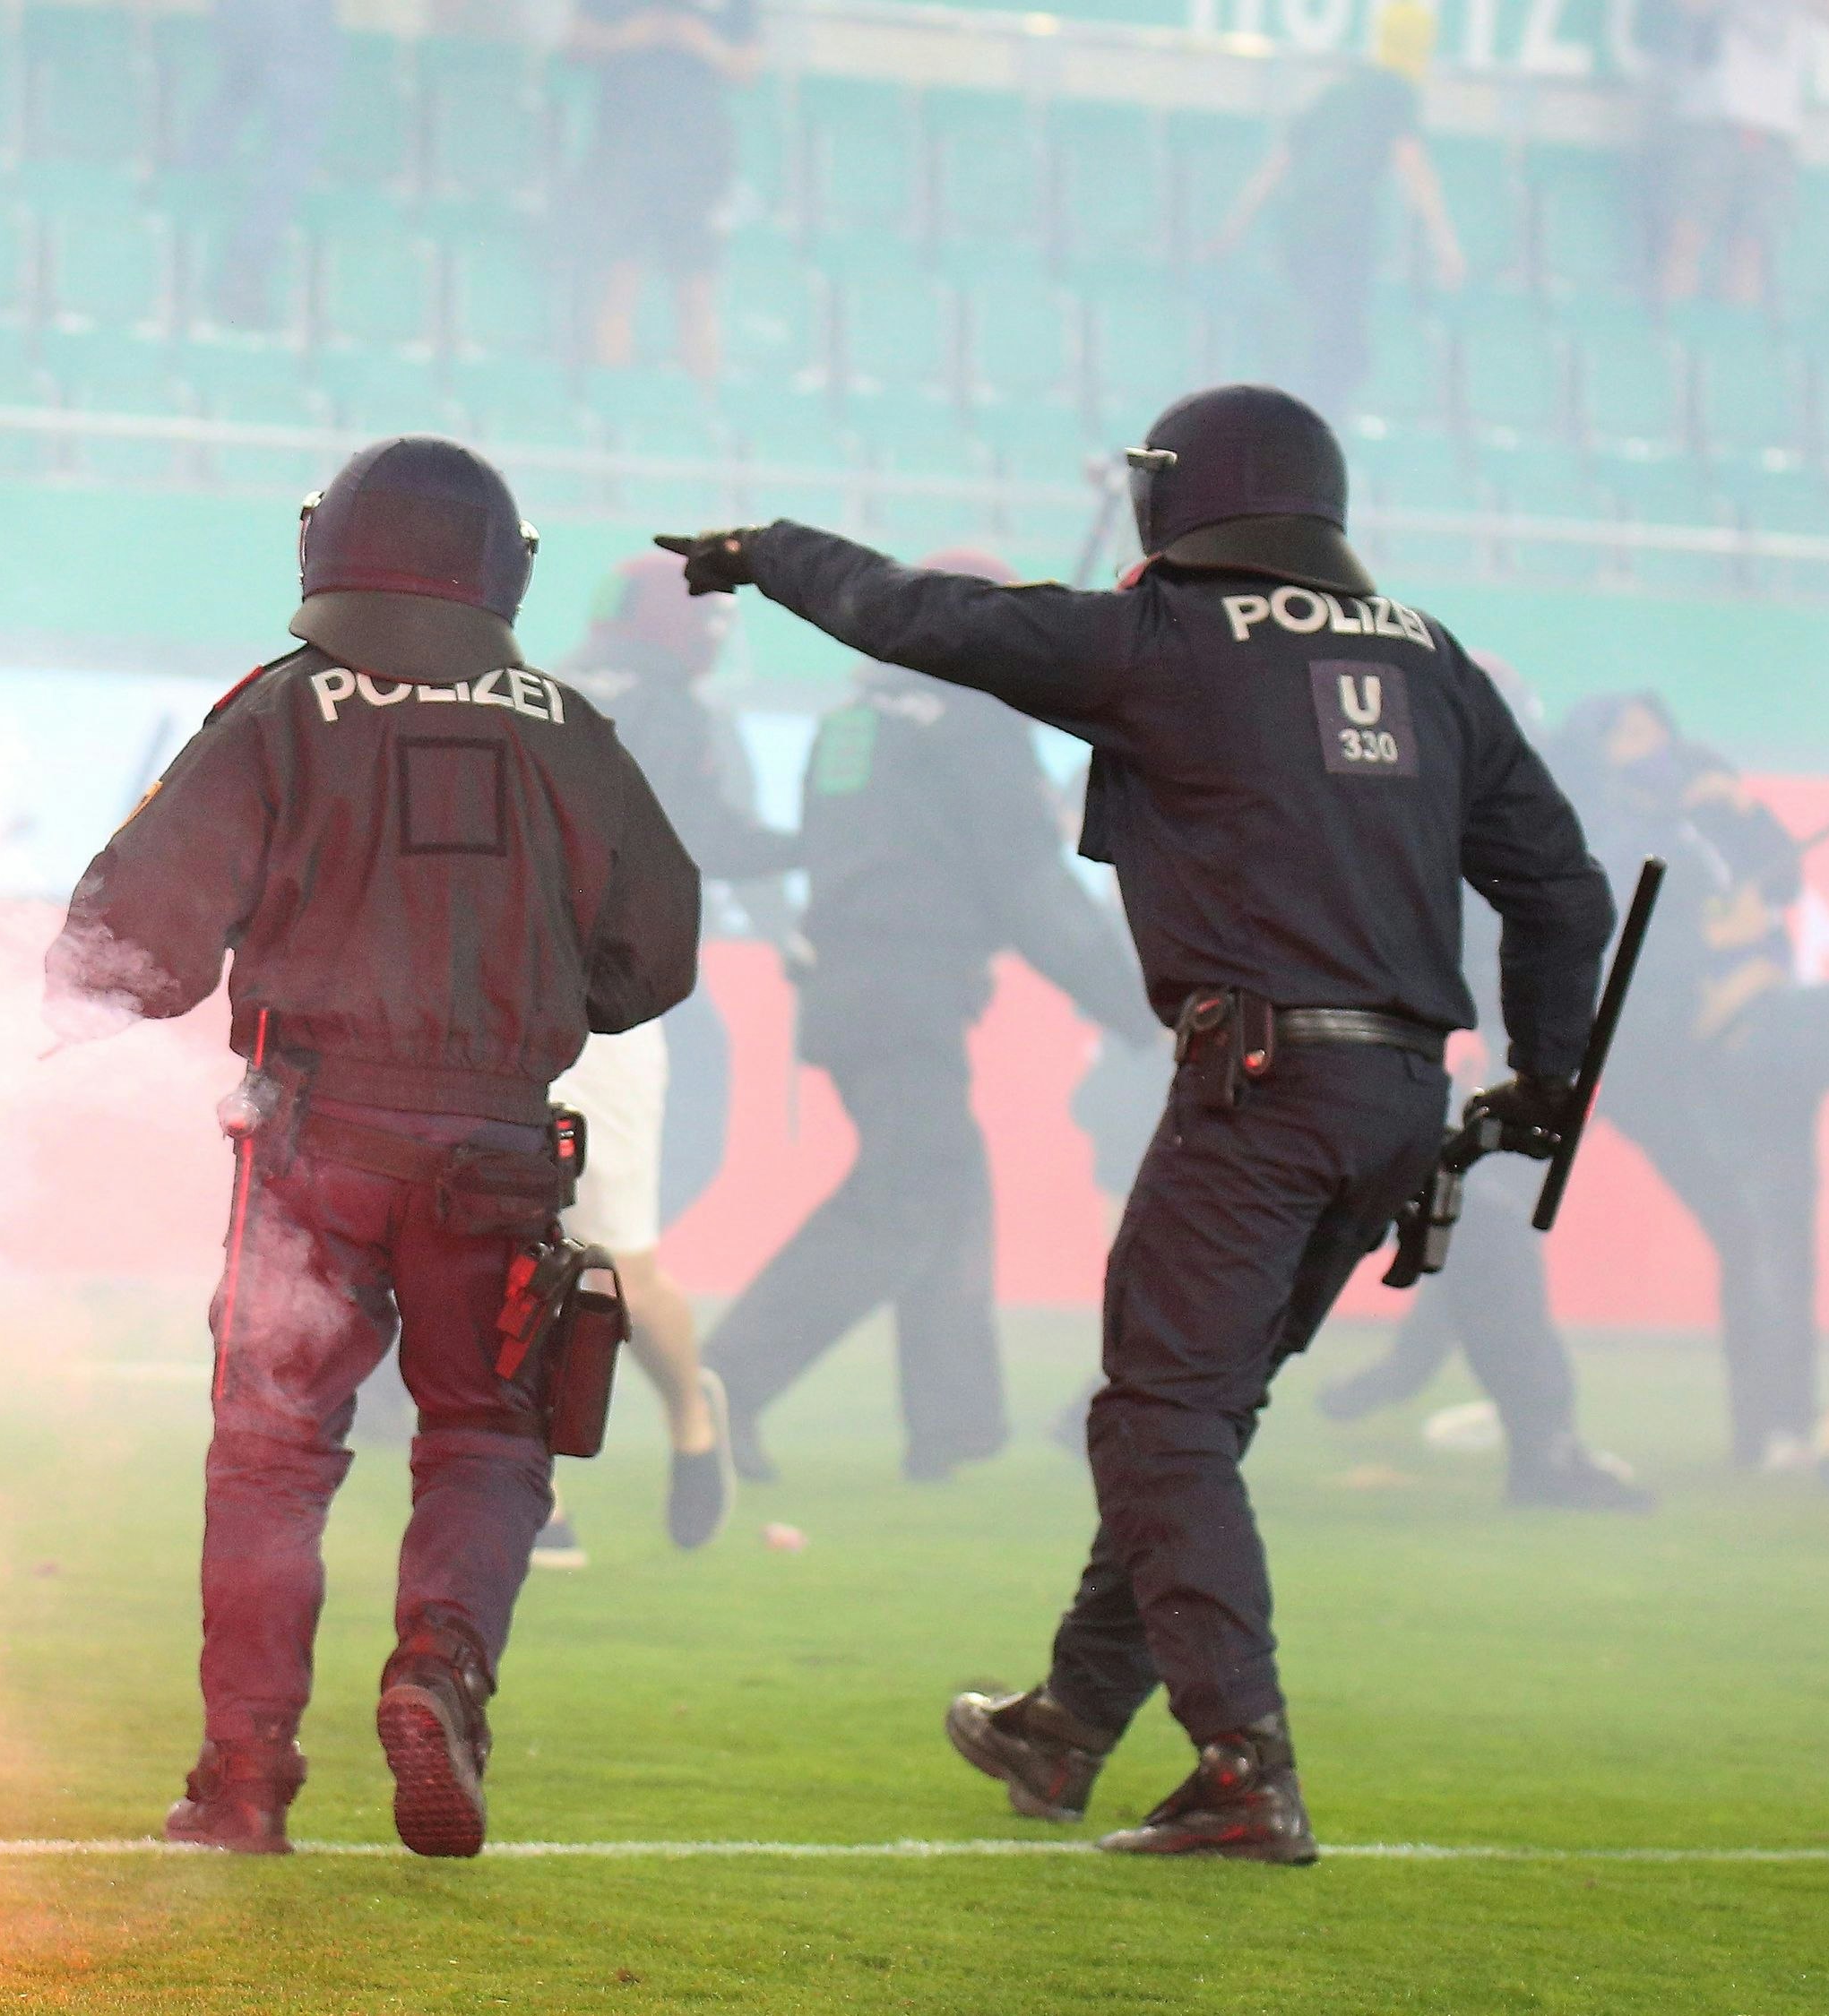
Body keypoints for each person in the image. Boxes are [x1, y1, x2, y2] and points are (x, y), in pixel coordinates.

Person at [661, 382, 1613, 1862]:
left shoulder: (1167, 637)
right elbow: (1562, 887)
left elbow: (921, 618)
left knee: (1158, 1414)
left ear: (1178, 494)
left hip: (1259, 1084)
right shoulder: (1428, 656)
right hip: (1397, 1098)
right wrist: (1547, 1077)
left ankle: (1243, 1761)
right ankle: (1069, 1722)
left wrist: (762, 550)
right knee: (1196, 1408)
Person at [50, 436, 700, 1859]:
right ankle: (439, 1670)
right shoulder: (570, 726)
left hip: (312, 1140)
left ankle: (243, 1778)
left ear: (326, 546)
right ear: (504, 570)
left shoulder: (282, 709)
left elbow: (136, 927)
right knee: (487, 1430)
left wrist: (80, 1002)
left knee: (271, 1454)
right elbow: (654, 952)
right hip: (499, 1149)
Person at [699, 548, 1148, 1488]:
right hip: (908, 993)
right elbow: (1029, 888)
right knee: (905, 1196)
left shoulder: (853, 718)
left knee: (947, 1188)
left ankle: (956, 1425)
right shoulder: (972, 724)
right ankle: (727, 1380)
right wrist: (1137, 1007)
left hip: (851, 987)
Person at [1316, 659, 1652, 1513]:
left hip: (1380, 1057)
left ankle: (1139, 1407)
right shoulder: (1471, 816)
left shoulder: (1381, 799)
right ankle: (1543, 1451)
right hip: (1426, 1061)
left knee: (1450, 1241)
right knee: (1479, 1243)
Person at [1552, 692, 1829, 1469]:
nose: (1653, 744)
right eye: (1628, 734)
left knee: (1777, 1242)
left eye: (1656, 727)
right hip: (1728, 1051)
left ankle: (1777, 1430)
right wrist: (1722, 974)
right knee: (1767, 1241)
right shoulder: (1616, 843)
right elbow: (1628, 974)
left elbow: (1781, 885)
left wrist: (1742, 816)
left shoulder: (1703, 816)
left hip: (1767, 1044)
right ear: (1597, 755)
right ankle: (1774, 1427)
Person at [537, 555, 797, 1556]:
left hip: (534, 1001)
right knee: (545, 1253)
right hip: (596, 1007)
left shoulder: (530, 690)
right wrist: (822, 843)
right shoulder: (676, 715)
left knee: (612, 1267)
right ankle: (534, 1494)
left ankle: (692, 1413)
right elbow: (711, 840)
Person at [1204, 0, 1466, 426]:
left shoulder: (1338, 93)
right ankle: (1311, 430)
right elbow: (1413, 166)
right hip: (1342, 238)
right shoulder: (1396, 93)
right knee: (1338, 348)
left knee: (1327, 341)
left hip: (1298, 235)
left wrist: (1232, 229)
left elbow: (1276, 166)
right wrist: (1446, 246)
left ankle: (1301, 422)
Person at [563, 0, 763, 379]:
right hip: (622, 150)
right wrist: (633, 36)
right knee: (617, 287)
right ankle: (615, 401)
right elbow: (577, 45)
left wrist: (701, 44)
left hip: (699, 159)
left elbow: (747, 67)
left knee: (697, 294)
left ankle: (703, 405)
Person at [1650, 0, 1829, 306]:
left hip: (1775, 123)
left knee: (1752, 247)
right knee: (1685, 238)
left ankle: (1737, 331)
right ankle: (1669, 325)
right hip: (1711, 114)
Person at [177, 0, 345, 331]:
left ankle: (184, 202)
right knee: (296, 142)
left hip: (242, 13)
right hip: (296, 20)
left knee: (234, 94)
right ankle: (245, 264)